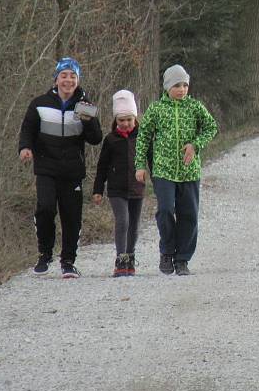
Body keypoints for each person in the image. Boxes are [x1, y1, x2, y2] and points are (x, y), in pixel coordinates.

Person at [18, 57, 103, 278]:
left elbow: (95, 138)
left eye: (72, 76)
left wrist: (86, 115)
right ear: (56, 79)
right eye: (64, 76)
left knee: (71, 216)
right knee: (45, 208)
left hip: (72, 170)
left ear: (78, 80)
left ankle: (68, 262)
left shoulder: (85, 105)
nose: (68, 80)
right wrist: (25, 148)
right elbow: (27, 129)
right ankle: (44, 255)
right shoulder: (39, 103)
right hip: (46, 167)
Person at [135, 64, 217, 276]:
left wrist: (195, 145)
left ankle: (182, 259)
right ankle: (167, 251)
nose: (181, 90)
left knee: (188, 214)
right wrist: (140, 165)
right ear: (167, 87)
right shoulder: (157, 109)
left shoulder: (195, 107)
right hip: (163, 170)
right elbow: (143, 137)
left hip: (189, 171)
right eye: (177, 85)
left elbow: (211, 127)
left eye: (185, 85)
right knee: (165, 210)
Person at [92, 90, 145, 277]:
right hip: (116, 189)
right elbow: (102, 166)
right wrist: (98, 189)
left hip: (137, 187)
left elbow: (151, 160)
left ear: (135, 119)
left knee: (134, 224)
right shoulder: (111, 139)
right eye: (121, 120)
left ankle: (130, 256)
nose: (125, 123)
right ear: (116, 121)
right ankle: (120, 258)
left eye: (129, 119)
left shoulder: (142, 138)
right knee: (123, 221)